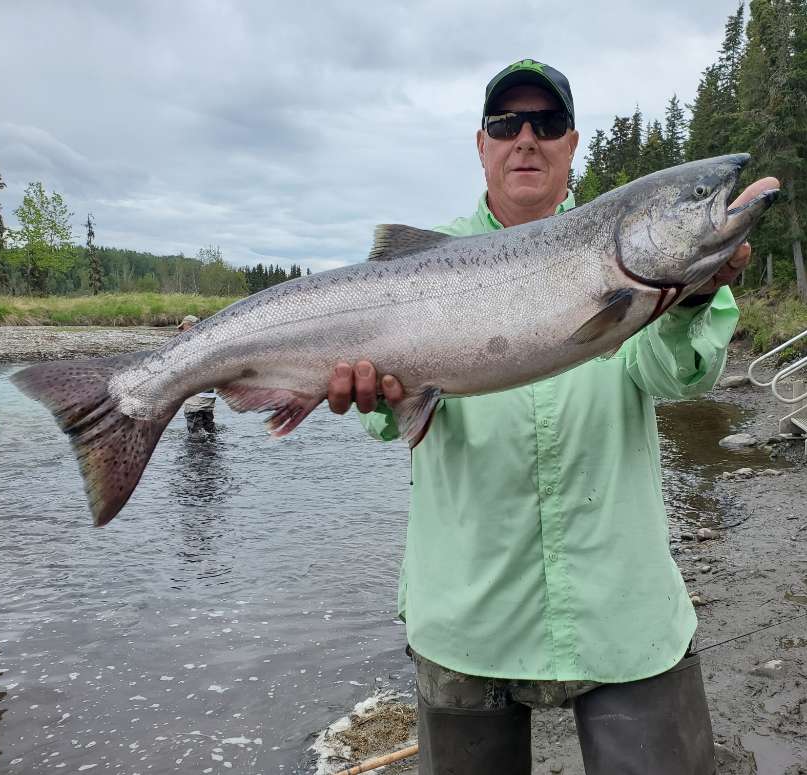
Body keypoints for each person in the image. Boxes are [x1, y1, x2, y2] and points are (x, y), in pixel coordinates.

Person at [326, 59, 779, 774]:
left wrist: (688, 297)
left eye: (548, 123)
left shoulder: (634, 272)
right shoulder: (411, 269)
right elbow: (384, 423)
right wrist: (371, 397)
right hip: (466, 605)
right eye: (506, 124)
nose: (526, 138)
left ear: (572, 146)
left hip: (620, 605)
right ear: (481, 145)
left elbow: (676, 376)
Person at [176, 315, 217, 436]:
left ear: (190, 327)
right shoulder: (209, 343)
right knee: (209, 431)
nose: (181, 331)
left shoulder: (189, 345)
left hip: (195, 397)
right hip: (209, 396)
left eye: (183, 328)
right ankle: (211, 454)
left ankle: (199, 454)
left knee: (195, 436)